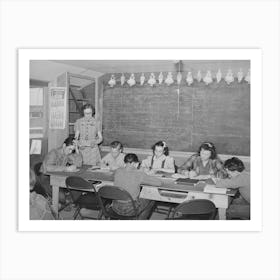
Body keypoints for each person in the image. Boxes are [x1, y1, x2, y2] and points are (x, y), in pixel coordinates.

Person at [111, 153, 162, 219]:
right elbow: (159, 183)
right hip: (130, 209)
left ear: (125, 162)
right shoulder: (139, 173)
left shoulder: (118, 171)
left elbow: (113, 176)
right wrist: (146, 174)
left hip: (115, 207)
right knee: (152, 198)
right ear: (135, 163)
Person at [40, 136, 82, 202]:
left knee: (79, 189)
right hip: (46, 178)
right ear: (64, 145)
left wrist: (77, 149)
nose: (70, 152)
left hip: (58, 177)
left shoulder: (67, 153)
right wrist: (66, 169)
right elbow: (47, 167)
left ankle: (65, 201)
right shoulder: (53, 153)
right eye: (69, 149)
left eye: (72, 150)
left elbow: (79, 164)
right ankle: (62, 201)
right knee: (61, 197)